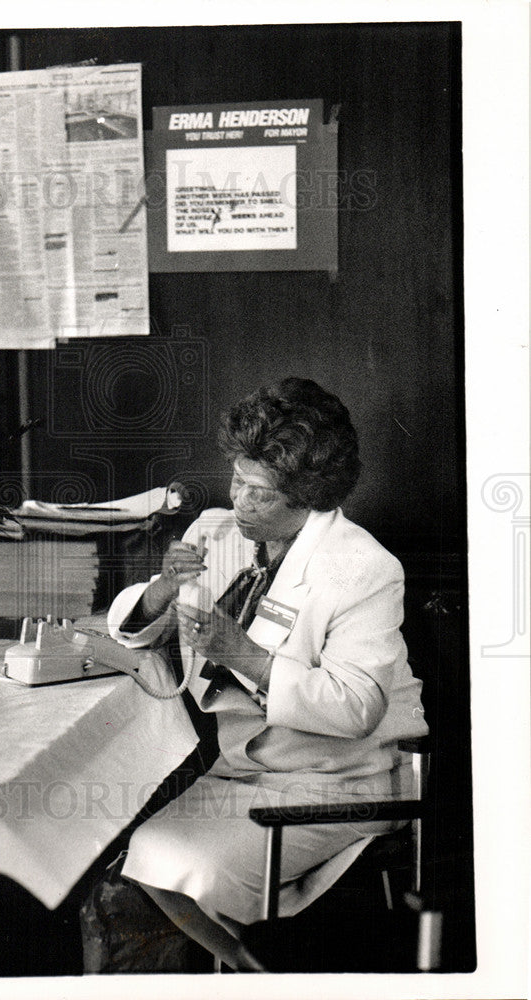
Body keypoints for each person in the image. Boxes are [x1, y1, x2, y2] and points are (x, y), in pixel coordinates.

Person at [107, 377, 428, 971]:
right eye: (238, 481)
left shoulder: (364, 568)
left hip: (337, 781)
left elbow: (357, 706)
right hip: (241, 771)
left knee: (170, 862)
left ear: (310, 495)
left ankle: (259, 969)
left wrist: (245, 656)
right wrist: (159, 593)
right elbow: (135, 629)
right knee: (129, 850)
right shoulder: (218, 533)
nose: (242, 504)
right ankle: (259, 968)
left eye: (262, 493)